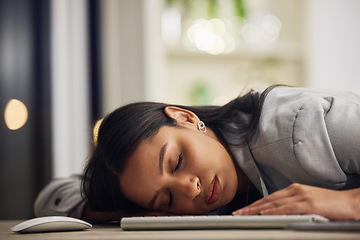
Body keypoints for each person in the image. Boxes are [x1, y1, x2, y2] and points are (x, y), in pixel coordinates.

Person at [34, 85, 360, 222]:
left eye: (177, 161)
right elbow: (52, 197)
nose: (191, 189)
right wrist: (114, 210)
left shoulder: (305, 128)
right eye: (167, 200)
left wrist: (350, 202)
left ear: (187, 118)